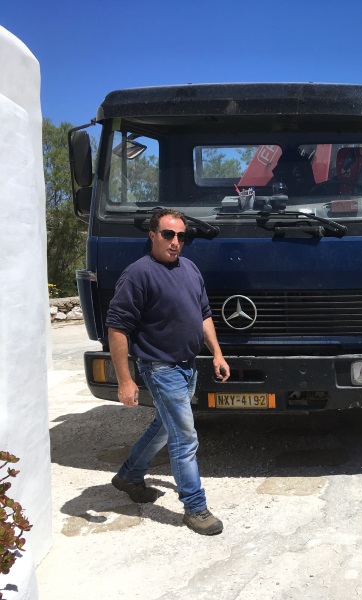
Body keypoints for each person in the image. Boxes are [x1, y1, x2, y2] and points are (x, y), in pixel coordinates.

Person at [106, 208, 230, 536]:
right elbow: (117, 328)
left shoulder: (189, 268)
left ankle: (129, 476)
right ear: (153, 235)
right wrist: (125, 380)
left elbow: (203, 314)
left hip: (188, 365)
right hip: (160, 367)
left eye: (181, 236)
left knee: (164, 427)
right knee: (184, 438)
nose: (175, 242)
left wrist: (217, 353)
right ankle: (195, 507)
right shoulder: (138, 274)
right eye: (168, 234)